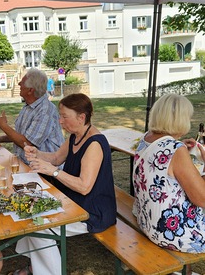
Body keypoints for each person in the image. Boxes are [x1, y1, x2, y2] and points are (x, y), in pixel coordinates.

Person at [14, 93, 116, 275]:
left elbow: (84, 187)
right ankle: (35, 265)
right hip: (74, 201)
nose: (60, 121)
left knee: (40, 227)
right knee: (30, 214)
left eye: (64, 117)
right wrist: (36, 153)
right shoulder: (75, 136)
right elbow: (54, 158)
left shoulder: (94, 144)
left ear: (81, 117)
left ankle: (50, 271)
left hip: (92, 210)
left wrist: (52, 171)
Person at [132, 94, 205, 255]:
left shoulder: (146, 138)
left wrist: (180, 147)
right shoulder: (176, 150)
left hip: (148, 222)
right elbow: (201, 199)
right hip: (174, 233)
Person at [0, 68, 64, 165]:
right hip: (27, 166)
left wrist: (3, 126)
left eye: (22, 82)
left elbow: (27, 143)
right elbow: (22, 135)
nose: (18, 84)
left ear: (30, 90)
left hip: (45, 171)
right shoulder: (29, 106)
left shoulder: (46, 110)